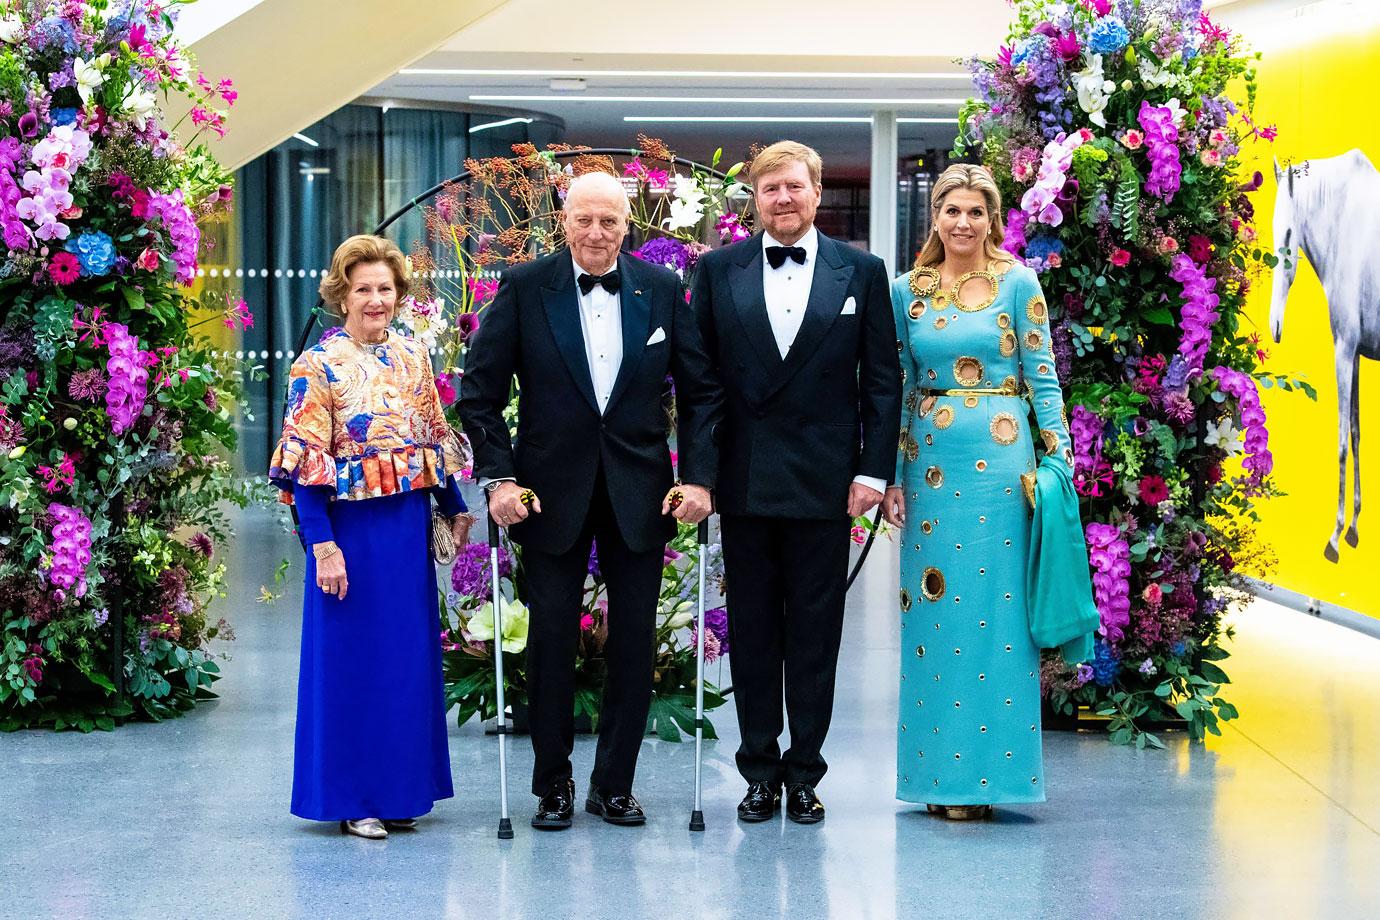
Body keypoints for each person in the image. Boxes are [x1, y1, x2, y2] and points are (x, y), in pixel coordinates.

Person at [458, 171, 722, 830]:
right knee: (549, 642)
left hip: (641, 494)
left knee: (634, 644)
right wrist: (498, 479)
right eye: (585, 221)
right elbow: (479, 393)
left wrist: (698, 478)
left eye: (609, 221)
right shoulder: (524, 288)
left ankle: (614, 784)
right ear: (564, 223)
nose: (597, 233)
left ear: (627, 225)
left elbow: (702, 391)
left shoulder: (660, 289)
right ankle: (552, 783)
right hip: (547, 495)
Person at [690, 140, 901, 824]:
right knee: (751, 633)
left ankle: (805, 771)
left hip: (826, 482)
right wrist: (701, 475)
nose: (783, 198)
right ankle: (758, 769)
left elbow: (882, 380)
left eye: (795, 187)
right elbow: (701, 386)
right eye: (770, 188)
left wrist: (872, 471)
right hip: (745, 480)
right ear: (755, 198)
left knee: (815, 634)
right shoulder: (716, 270)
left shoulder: (862, 272)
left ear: (815, 193)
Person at [881, 164, 1080, 819]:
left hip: (1003, 471)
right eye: (951, 210)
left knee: (996, 622)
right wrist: (890, 477)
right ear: (934, 216)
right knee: (933, 623)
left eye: (975, 211)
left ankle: (993, 782)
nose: (962, 222)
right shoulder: (904, 291)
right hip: (929, 470)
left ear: (993, 218)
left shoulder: (1020, 283)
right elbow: (900, 388)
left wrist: (1059, 462)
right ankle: (938, 781)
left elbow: (1042, 378)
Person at [270, 234, 475, 839]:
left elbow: (432, 441)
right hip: (348, 537)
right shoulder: (316, 366)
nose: (376, 299)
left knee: (405, 664)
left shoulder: (414, 356)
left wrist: (455, 508)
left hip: (405, 530)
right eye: (364, 289)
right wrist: (322, 545)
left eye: (386, 288)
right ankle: (353, 797)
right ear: (342, 295)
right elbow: (305, 464)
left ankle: (402, 792)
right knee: (351, 666)